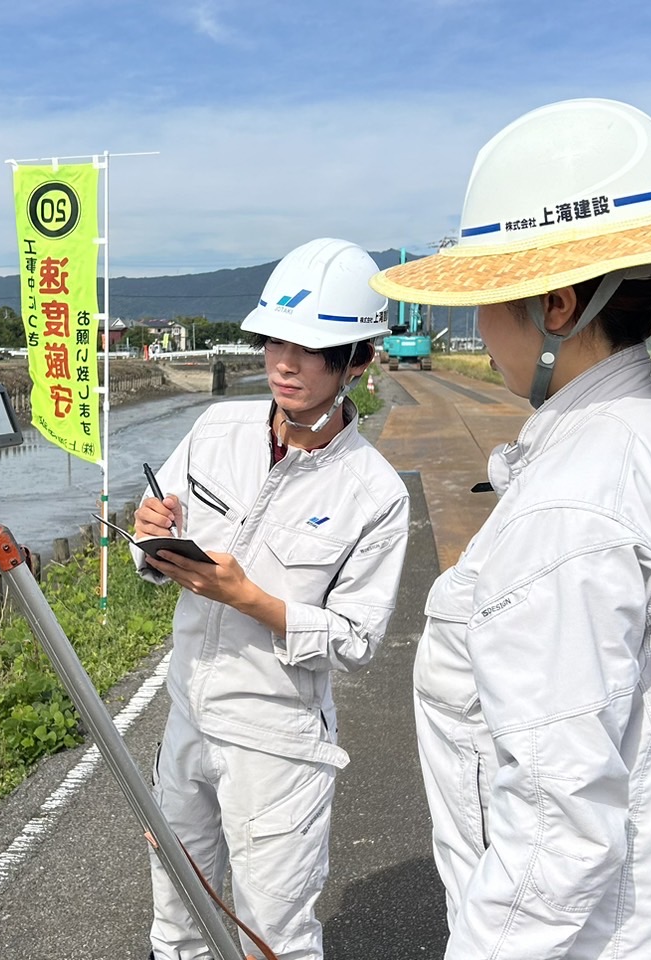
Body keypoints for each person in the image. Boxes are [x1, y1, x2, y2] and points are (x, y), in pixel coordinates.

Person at [370, 98, 651, 959]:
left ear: (559, 306)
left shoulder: (573, 506)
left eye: (491, 299)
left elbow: (555, 842)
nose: (478, 325)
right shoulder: (634, 436)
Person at [133, 237, 411, 960]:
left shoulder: (375, 492)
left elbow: (356, 639)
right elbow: (154, 537)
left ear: (360, 359)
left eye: (312, 349)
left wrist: (249, 598)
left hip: (280, 742)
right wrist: (148, 532)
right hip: (189, 712)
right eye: (274, 341)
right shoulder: (215, 429)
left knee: (273, 939)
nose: (285, 364)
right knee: (177, 927)